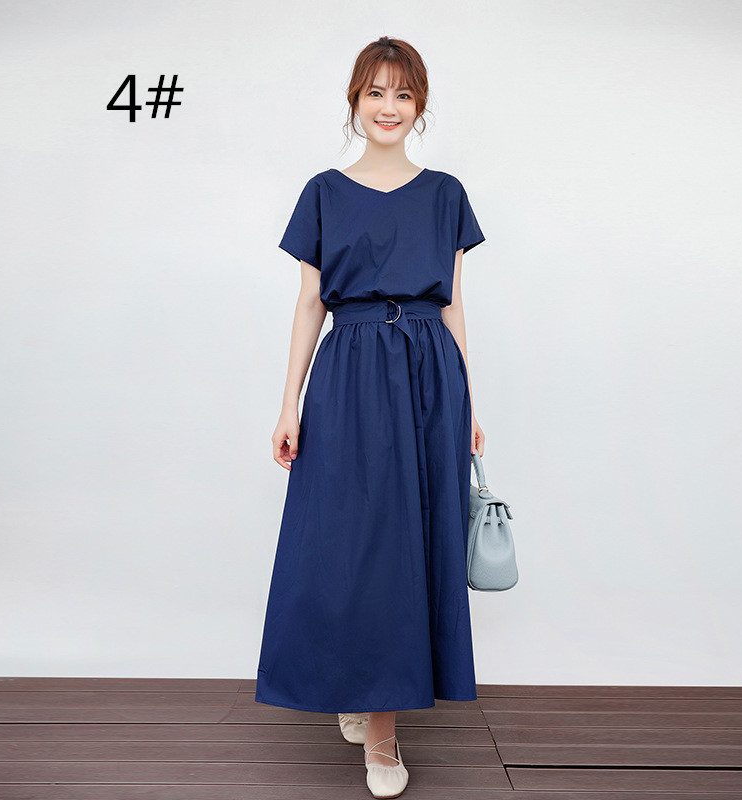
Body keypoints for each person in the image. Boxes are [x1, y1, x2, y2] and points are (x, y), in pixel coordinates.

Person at [255, 35, 486, 799]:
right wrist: (288, 403)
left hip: (428, 374)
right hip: (350, 372)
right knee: (352, 542)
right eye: (376, 92)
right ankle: (363, 698)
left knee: (409, 543)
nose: (389, 107)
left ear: (421, 105)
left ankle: (380, 723)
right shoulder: (323, 191)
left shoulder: (445, 193)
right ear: (354, 101)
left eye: (404, 94)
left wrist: (470, 401)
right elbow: (309, 303)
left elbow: (453, 305)